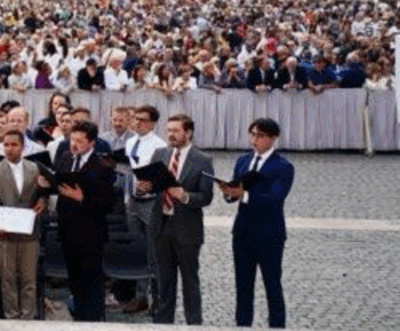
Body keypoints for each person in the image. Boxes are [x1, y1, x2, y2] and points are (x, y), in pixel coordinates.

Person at [136, 114, 214, 326]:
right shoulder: (160, 154)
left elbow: (206, 197)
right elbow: (152, 185)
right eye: (168, 130)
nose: (170, 134)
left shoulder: (203, 160)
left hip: (187, 230)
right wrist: (144, 188)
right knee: (164, 283)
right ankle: (163, 323)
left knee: (190, 282)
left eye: (175, 130)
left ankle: (193, 323)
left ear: (188, 133)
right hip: (161, 226)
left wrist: (185, 196)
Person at [219, 118, 294, 329]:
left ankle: (276, 325)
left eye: (260, 136)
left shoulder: (283, 167)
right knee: (243, 285)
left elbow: (274, 199)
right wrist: (229, 193)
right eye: (252, 134)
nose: (254, 140)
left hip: (269, 234)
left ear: (273, 138)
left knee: (272, 284)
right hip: (242, 232)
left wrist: (244, 194)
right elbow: (235, 193)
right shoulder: (243, 161)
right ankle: (243, 324)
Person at [47, 120, 116, 321]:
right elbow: (58, 185)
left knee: (92, 281)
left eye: (79, 141)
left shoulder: (102, 166)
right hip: (68, 230)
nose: (74, 144)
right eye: (72, 140)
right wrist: (46, 184)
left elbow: (108, 203)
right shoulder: (65, 158)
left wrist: (83, 199)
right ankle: (79, 318)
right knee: (75, 279)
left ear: (91, 143)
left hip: (91, 233)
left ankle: (93, 321)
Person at [0, 129, 46, 320]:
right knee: (8, 280)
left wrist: (43, 200)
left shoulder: (35, 168)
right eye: (6, 145)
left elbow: (43, 193)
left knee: (29, 280)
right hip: (3, 233)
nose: (9, 149)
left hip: (29, 231)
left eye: (14, 145)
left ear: (23, 147)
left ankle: (28, 319)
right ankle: (12, 319)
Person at [121, 104, 167, 314]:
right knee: (137, 250)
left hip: (151, 202)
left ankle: (158, 298)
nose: (137, 123)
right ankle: (140, 297)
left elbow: (165, 177)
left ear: (153, 123)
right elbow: (128, 171)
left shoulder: (160, 146)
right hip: (132, 201)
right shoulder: (130, 142)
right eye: (136, 119)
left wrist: (152, 185)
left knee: (154, 252)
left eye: (142, 120)